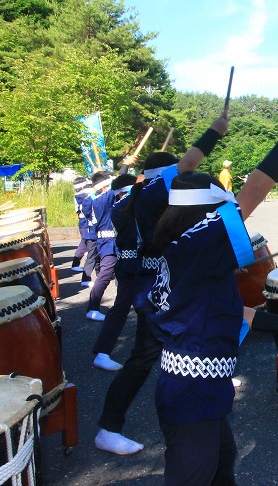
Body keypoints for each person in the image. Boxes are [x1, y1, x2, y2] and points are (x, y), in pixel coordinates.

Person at [147, 171, 278, 486]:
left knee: (221, 464)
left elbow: (235, 312)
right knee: (193, 475)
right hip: (193, 392)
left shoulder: (183, 254)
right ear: (205, 221)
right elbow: (251, 196)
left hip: (195, 387)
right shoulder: (194, 250)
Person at [95, 115, 230, 456]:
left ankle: (213, 373)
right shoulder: (157, 191)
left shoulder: (138, 195)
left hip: (155, 279)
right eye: (178, 174)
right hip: (157, 284)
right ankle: (108, 427)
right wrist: (214, 131)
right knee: (143, 358)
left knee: (169, 342)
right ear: (166, 175)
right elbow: (189, 162)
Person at [91, 173, 138, 370]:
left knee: (132, 308)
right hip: (133, 263)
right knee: (122, 308)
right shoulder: (121, 206)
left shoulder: (124, 206)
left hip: (131, 262)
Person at [83, 171, 118, 322]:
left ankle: (125, 304)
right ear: (104, 187)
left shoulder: (97, 199)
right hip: (108, 243)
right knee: (105, 275)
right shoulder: (103, 199)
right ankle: (92, 308)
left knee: (121, 275)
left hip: (111, 242)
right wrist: (124, 167)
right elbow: (115, 188)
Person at [71, 176, 93, 272]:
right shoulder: (83, 195)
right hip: (85, 221)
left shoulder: (79, 194)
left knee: (86, 243)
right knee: (85, 243)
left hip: (83, 221)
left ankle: (76, 264)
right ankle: (76, 263)